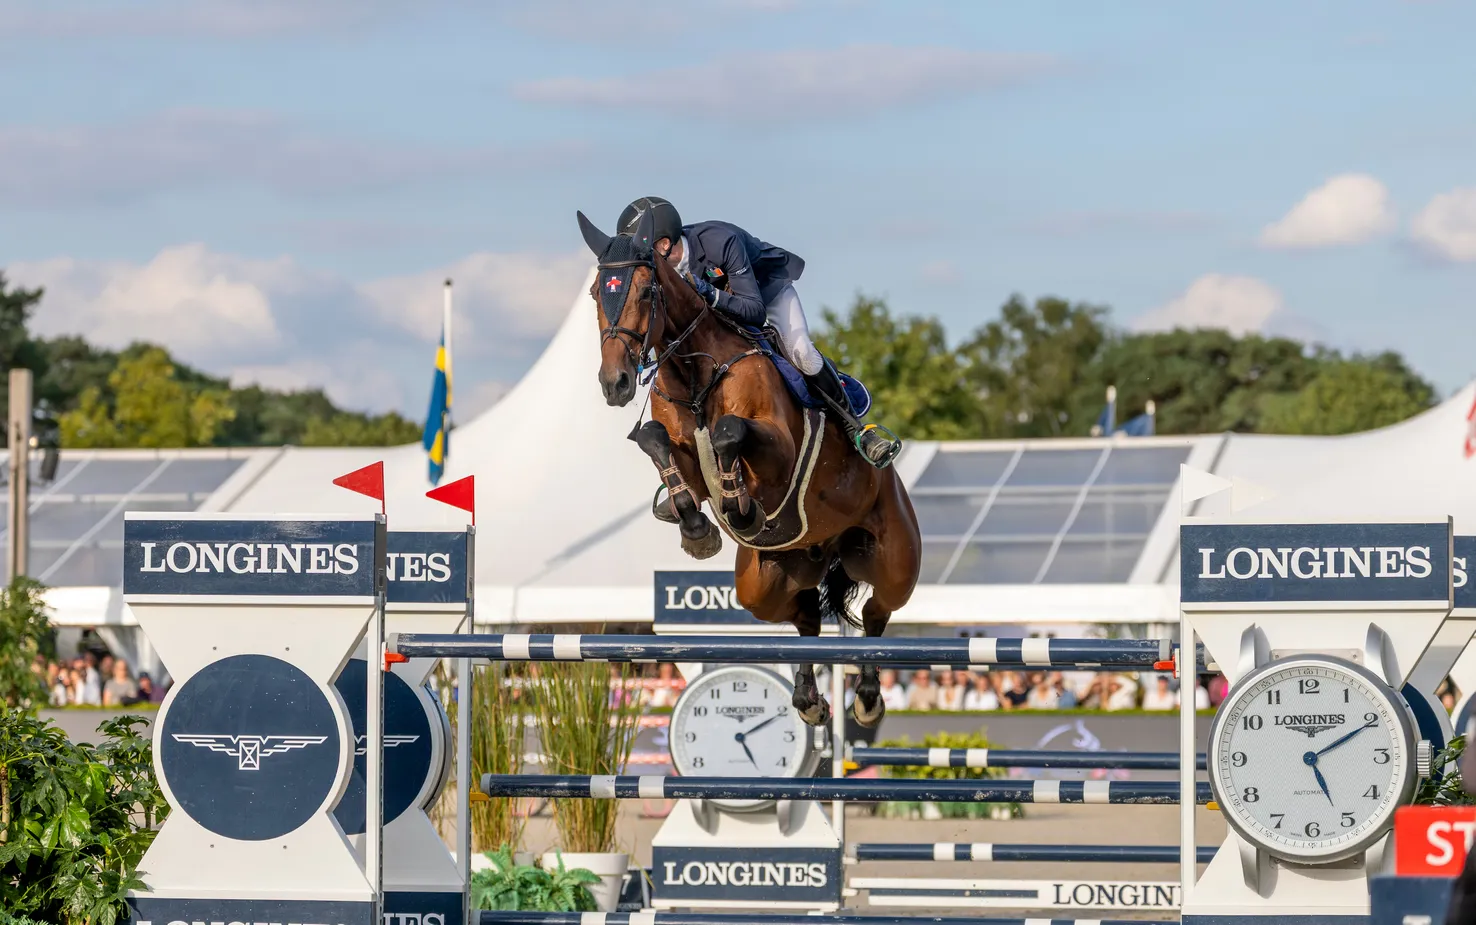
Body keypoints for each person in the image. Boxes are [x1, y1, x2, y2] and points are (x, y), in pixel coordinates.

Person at [616, 197, 900, 468]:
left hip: (767, 293)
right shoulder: (662, 273)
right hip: (720, 313)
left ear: (664, 244)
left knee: (803, 354)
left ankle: (858, 431)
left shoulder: (719, 241)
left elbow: (754, 310)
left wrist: (708, 293)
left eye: (646, 252)